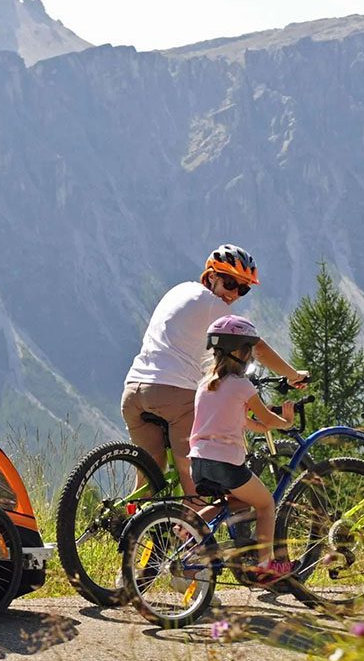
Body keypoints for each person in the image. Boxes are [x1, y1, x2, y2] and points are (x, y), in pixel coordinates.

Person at [122, 244, 306, 496]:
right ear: (211, 277)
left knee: (149, 476)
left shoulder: (180, 290)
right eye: (230, 283)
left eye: (243, 288)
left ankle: (128, 526)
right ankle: (190, 528)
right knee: (194, 485)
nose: (235, 294)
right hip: (172, 394)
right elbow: (256, 347)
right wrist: (292, 374)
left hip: (134, 391)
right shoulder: (213, 304)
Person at [188, 315, 295, 581]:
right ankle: (265, 565)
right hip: (226, 464)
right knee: (266, 505)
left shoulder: (205, 385)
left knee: (233, 501)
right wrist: (286, 422)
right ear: (240, 352)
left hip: (199, 462)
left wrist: (265, 426)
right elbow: (267, 419)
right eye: (249, 351)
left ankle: (192, 526)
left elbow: (246, 422)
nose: (251, 357)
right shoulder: (241, 385)